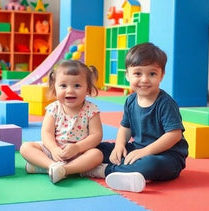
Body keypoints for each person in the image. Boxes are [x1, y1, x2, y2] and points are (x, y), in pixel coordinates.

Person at [82, 42, 188, 193]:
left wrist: (145, 152)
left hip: (166, 156)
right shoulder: (131, 100)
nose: (144, 79)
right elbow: (125, 127)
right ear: (127, 75)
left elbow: (174, 135)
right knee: (98, 148)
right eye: (138, 74)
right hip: (137, 149)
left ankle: (103, 170)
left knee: (151, 165)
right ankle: (121, 170)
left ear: (161, 75)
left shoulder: (165, 103)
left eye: (152, 74)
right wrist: (119, 145)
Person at [19, 60, 104, 184]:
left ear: (88, 89)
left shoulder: (91, 110)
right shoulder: (53, 108)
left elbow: (96, 135)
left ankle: (63, 169)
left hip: (80, 153)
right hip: (54, 153)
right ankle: (52, 166)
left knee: (97, 154)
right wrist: (53, 149)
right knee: (26, 147)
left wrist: (77, 147)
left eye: (77, 86)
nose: (70, 90)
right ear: (55, 88)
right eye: (63, 86)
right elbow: (47, 133)